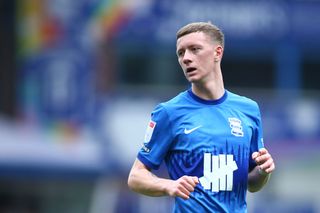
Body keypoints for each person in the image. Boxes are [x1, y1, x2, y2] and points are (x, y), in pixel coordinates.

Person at [127, 22, 275, 212]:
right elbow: (136, 176)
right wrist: (169, 185)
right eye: (181, 53)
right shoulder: (169, 112)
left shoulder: (249, 109)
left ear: (217, 53)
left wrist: (263, 172)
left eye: (195, 49)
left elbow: (251, 183)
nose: (186, 58)